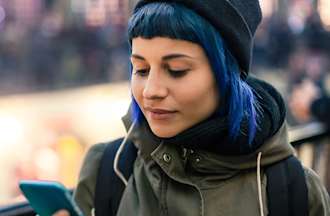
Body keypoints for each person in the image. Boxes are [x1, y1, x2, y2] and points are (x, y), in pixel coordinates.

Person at [56, 1, 330, 216]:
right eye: (140, 69)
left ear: (228, 75)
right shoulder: (108, 169)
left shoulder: (293, 190)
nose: (151, 90)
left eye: (176, 70)